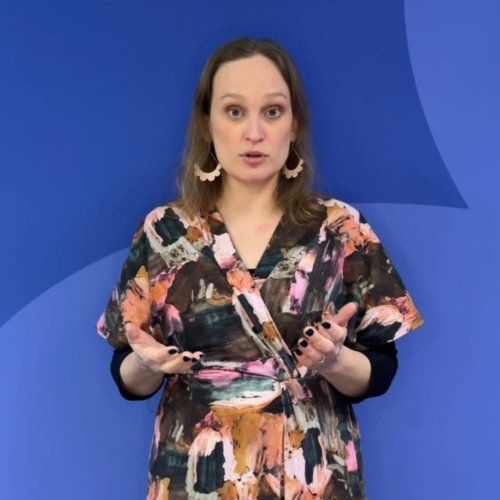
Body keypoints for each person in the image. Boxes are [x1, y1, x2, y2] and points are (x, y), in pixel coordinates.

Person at [96, 37, 423, 499]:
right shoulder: (165, 232)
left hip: (313, 475)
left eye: (272, 111)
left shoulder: (340, 229)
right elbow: (126, 374)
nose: (254, 132)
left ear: (294, 123)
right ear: (207, 123)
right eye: (234, 111)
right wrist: (146, 366)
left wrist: (335, 361)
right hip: (196, 477)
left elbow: (381, 368)